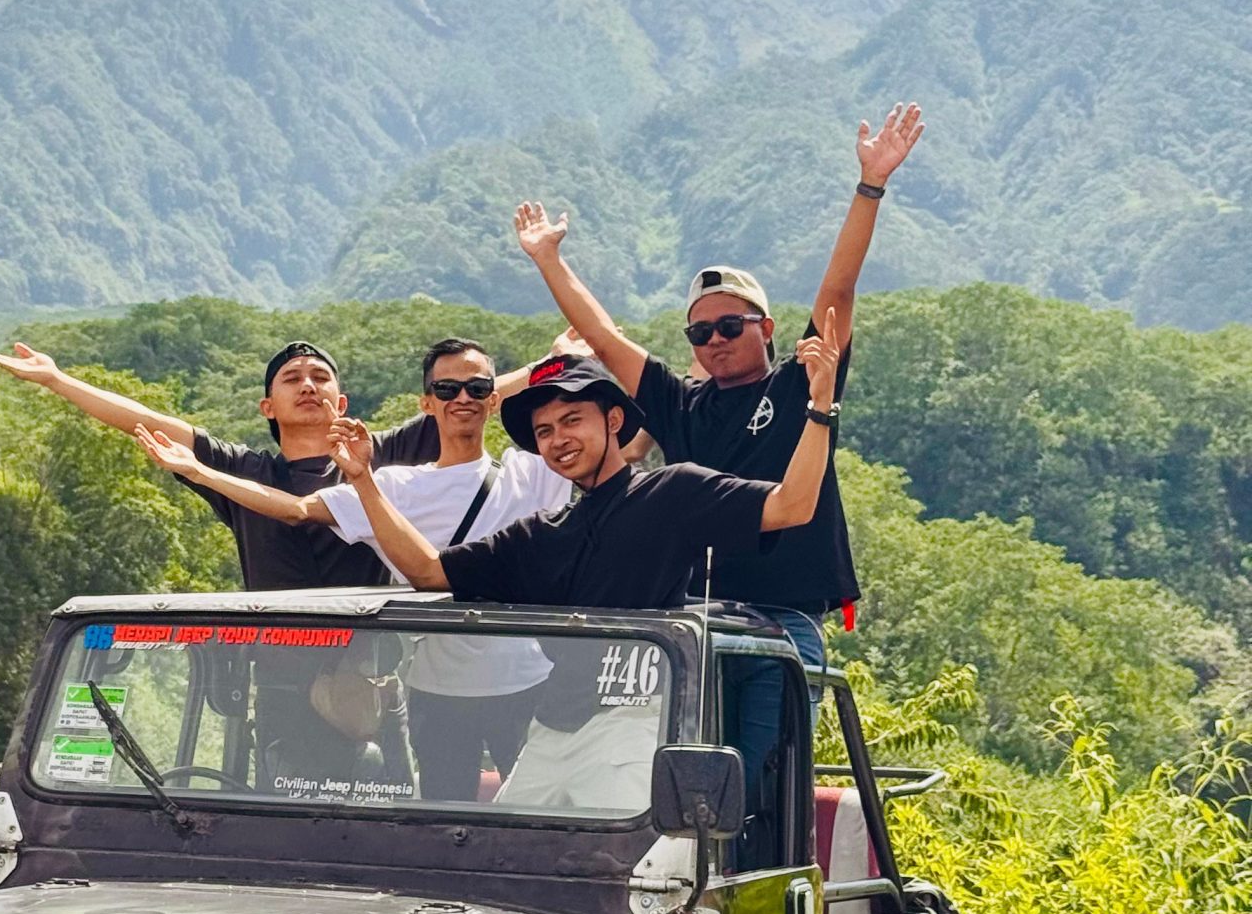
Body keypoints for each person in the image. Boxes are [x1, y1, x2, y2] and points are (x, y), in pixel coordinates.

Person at [329, 324, 841, 816]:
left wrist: (818, 410)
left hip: (638, 721)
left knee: (642, 873)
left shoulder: (672, 493)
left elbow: (791, 506)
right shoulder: (544, 535)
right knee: (500, 862)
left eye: (572, 420)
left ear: (613, 420)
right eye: (544, 431)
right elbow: (428, 571)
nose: (557, 440)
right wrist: (364, 482)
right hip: (552, 728)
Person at [509, 102, 922, 692]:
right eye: (700, 333)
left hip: (784, 621)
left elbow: (838, 287)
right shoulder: (681, 405)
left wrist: (871, 184)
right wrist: (549, 259)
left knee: (766, 772)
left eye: (731, 326)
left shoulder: (802, 379)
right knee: (692, 773)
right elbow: (602, 337)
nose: (715, 341)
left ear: (767, 328)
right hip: (697, 624)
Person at [133, 335, 578, 800]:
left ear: (494, 399)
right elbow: (295, 509)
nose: (462, 398)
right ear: (427, 403)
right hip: (419, 690)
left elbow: (613, 444)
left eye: (477, 389)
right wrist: (198, 472)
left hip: (522, 682)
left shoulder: (534, 470)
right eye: (446, 391)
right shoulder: (392, 485)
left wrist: (556, 362)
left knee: (546, 819)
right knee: (431, 822)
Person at [0, 332, 549, 592]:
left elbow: (467, 394)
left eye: (321, 378)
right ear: (267, 406)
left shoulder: (376, 455)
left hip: (374, 667)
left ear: (342, 402)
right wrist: (58, 380)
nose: (308, 386)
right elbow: (143, 418)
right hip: (278, 661)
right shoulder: (243, 472)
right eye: (292, 379)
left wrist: (557, 362)